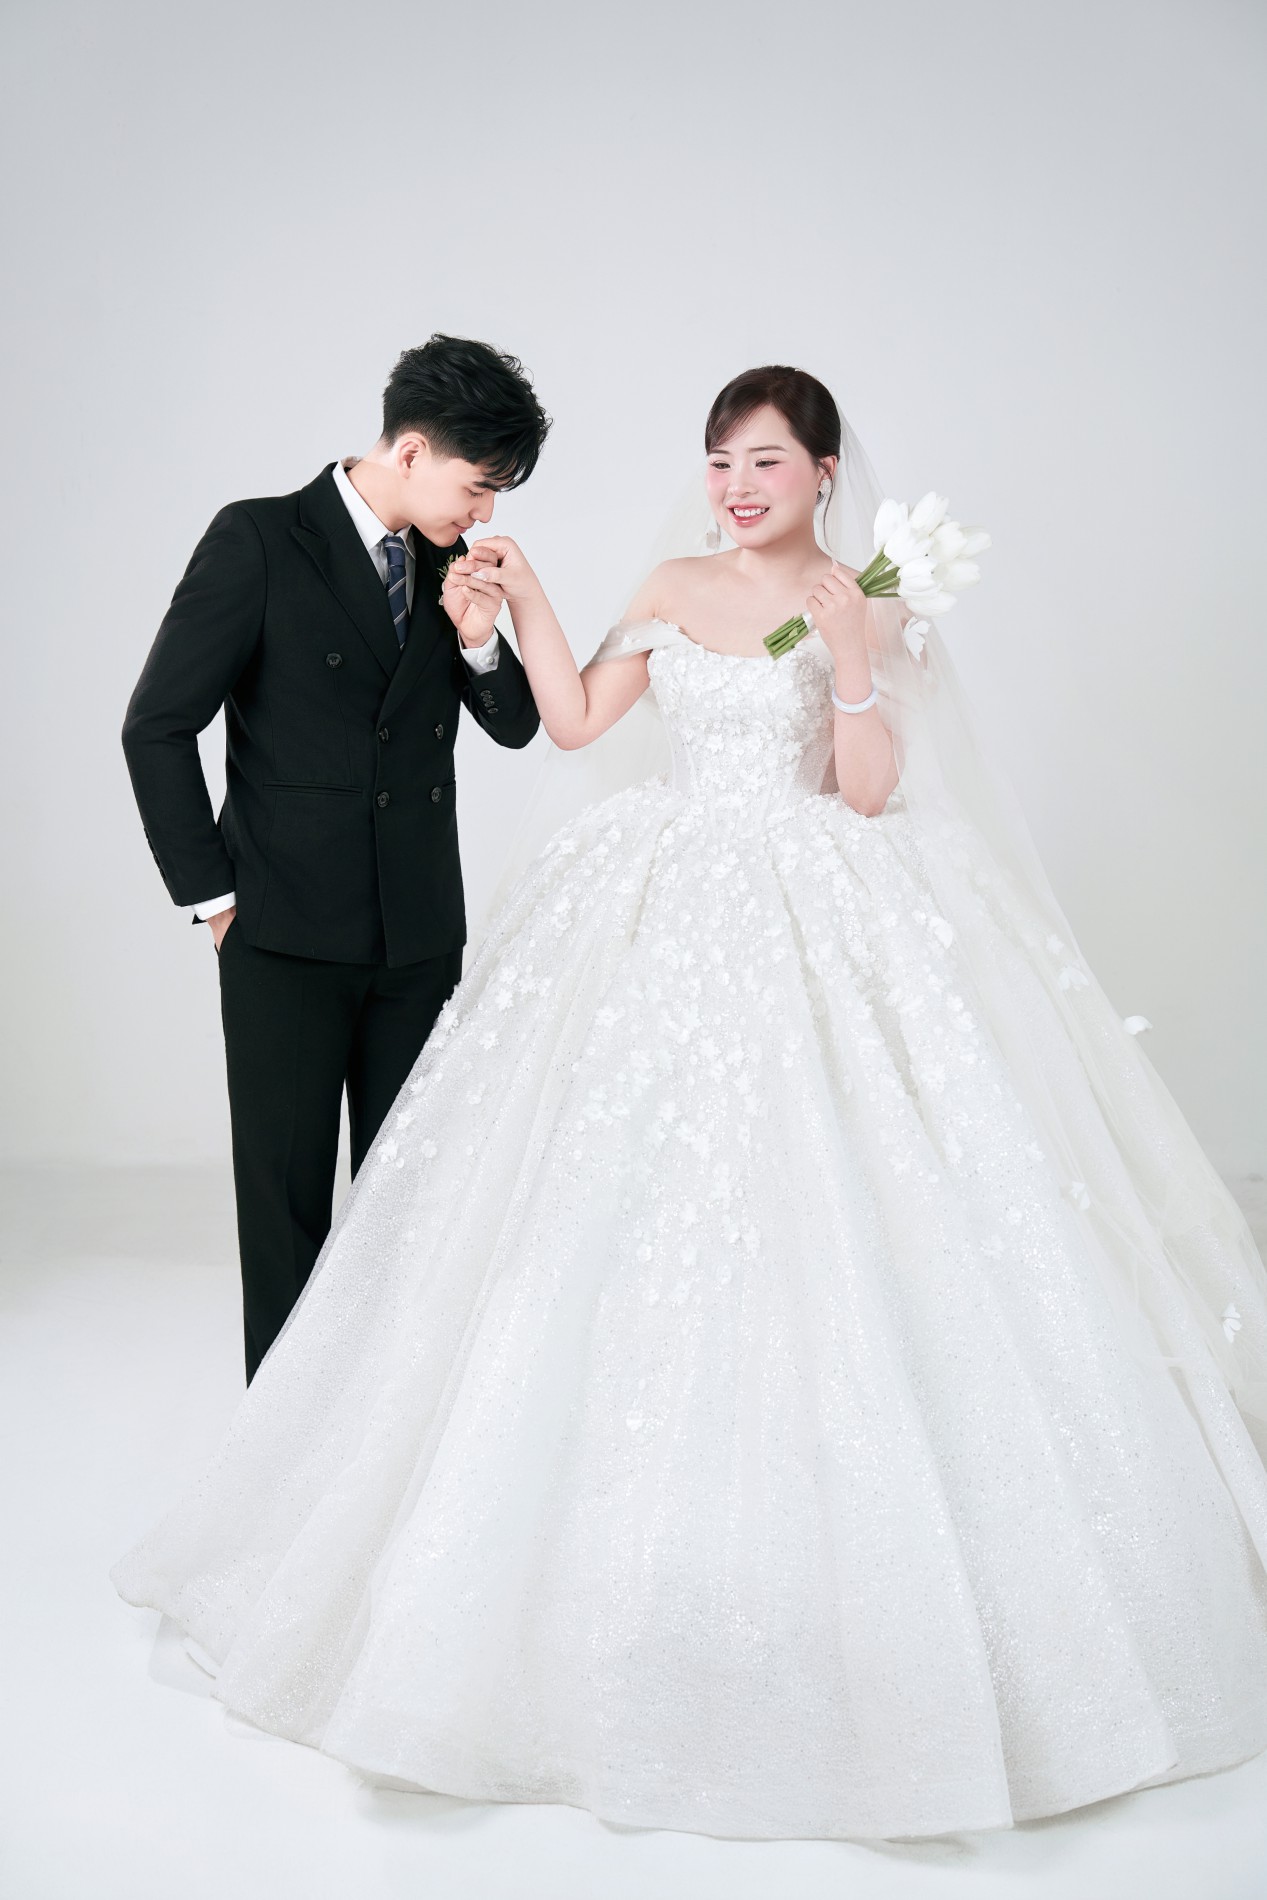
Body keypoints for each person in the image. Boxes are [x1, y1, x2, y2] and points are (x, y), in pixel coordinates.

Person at [113, 365, 1267, 1842]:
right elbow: (574, 721)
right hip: (641, 899)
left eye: (765, 461)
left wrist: (849, 658)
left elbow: (865, 792)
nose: (735, 485)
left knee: (835, 1214)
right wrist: (524, 605)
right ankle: (328, 1480)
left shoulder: (865, 602)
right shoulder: (665, 581)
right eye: (720, 459)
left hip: (805, 904)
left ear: (824, 473)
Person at [121, 334, 550, 1380]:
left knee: (410, 1200)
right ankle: (279, 1444)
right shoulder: (262, 538)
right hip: (281, 932)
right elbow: (157, 726)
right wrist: (215, 900)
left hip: (416, 938)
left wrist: (480, 638)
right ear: (410, 450)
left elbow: (515, 727)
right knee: (285, 1203)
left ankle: (379, 1431)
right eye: (477, 484)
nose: (484, 512)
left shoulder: (450, 565)